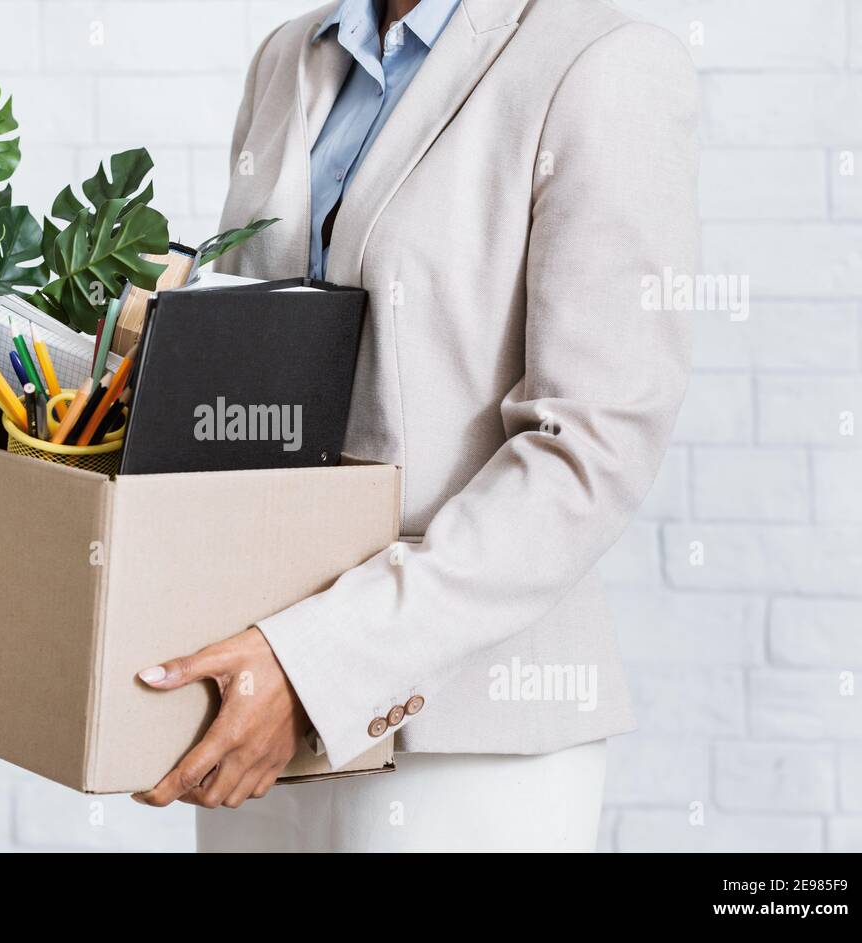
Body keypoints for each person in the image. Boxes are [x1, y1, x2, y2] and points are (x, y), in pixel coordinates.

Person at [132, 0, 697, 852]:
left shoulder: (603, 60)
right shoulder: (291, 56)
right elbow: (261, 372)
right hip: (252, 707)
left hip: (465, 740)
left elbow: (588, 448)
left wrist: (316, 662)